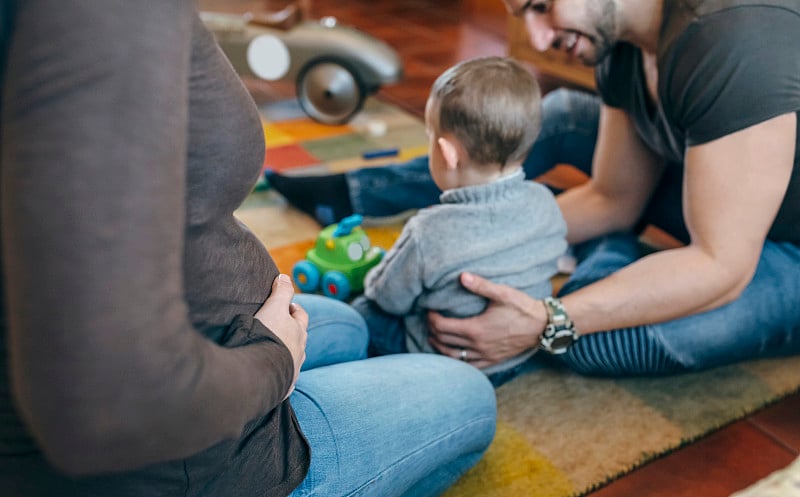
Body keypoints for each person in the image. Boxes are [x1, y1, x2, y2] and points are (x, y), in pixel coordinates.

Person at [0, 2, 497, 497]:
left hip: (198, 348)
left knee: (347, 325)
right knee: (473, 398)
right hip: (179, 462)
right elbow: (113, 407)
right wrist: (274, 362)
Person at [269, 0, 800, 375]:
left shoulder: (732, 37)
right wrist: (482, 240)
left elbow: (722, 265)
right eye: (523, 13)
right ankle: (357, 191)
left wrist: (548, 319)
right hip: (710, 184)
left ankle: (613, 266)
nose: (540, 39)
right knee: (559, 115)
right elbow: (615, 197)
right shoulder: (617, 43)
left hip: (776, 248)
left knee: (596, 343)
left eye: (542, 5)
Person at [350, 56, 567, 386]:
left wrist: (377, 275)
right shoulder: (546, 204)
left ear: (448, 154)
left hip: (438, 359)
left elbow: (387, 298)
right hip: (515, 356)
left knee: (361, 312)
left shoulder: (428, 231)